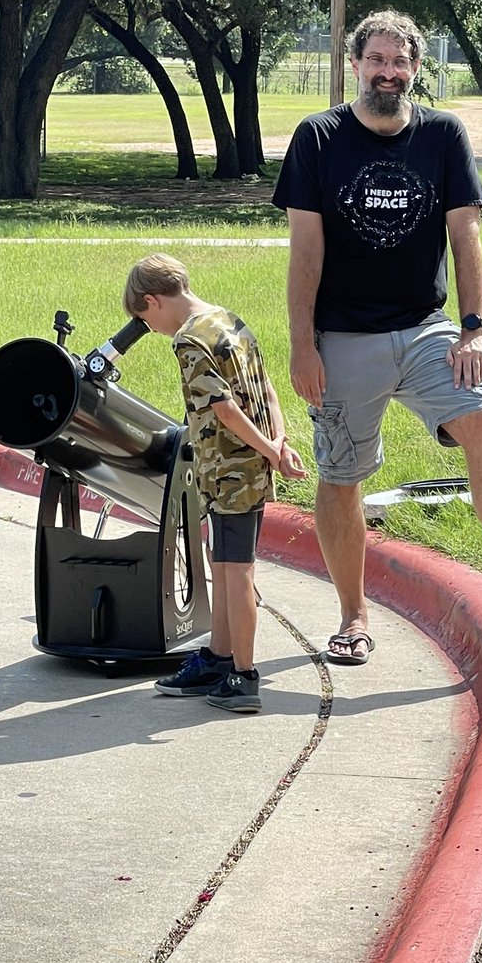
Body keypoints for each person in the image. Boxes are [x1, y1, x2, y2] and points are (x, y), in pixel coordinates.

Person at [271, 8, 482, 665]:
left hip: (427, 331)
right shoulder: (319, 138)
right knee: (341, 475)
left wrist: (473, 330)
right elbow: (305, 253)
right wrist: (303, 345)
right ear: (355, 64)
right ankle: (353, 617)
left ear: (416, 69)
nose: (388, 73)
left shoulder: (442, 135)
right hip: (345, 337)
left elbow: (466, 235)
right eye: (376, 60)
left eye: (400, 62)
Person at [123, 252, 308, 712]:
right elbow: (267, 388)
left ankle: (243, 676)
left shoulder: (189, 341)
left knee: (235, 570)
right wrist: (278, 444)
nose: (152, 327)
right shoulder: (229, 321)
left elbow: (223, 408)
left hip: (230, 470)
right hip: (252, 464)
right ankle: (220, 658)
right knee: (222, 563)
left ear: (153, 300)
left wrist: (268, 450)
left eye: (146, 317)